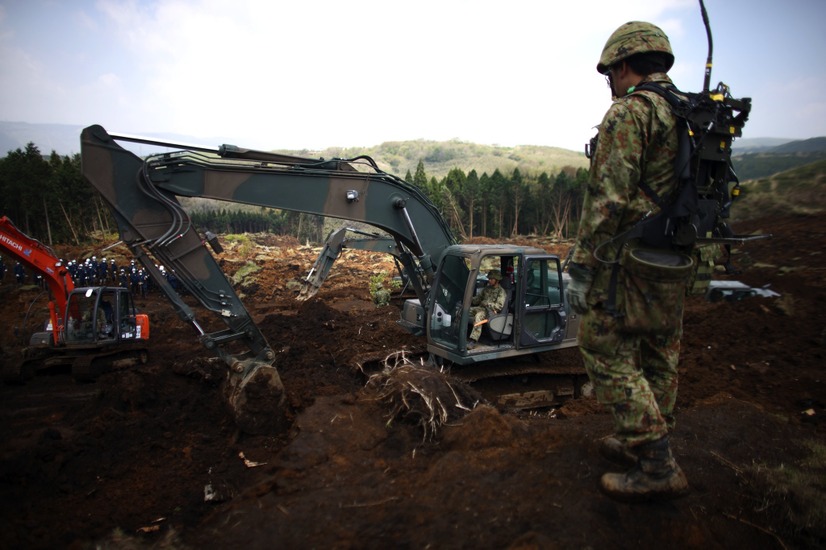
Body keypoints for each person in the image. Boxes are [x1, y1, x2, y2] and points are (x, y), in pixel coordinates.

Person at [565, 21, 690, 501]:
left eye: (610, 73)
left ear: (623, 65)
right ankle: (647, 437)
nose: (611, 82)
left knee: (601, 343)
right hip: (676, 256)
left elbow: (607, 199)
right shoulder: (689, 114)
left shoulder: (630, 113)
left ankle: (656, 460)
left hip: (631, 257)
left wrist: (581, 265)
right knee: (660, 346)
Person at [468, 269, 506, 348]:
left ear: (497, 280)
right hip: (481, 308)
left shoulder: (501, 292)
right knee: (464, 311)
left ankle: (473, 340)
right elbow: (477, 299)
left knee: (479, 316)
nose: (489, 280)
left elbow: (499, 306)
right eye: (489, 279)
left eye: (491, 279)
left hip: (491, 312)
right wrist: (469, 299)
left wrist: (488, 304)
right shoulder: (487, 289)